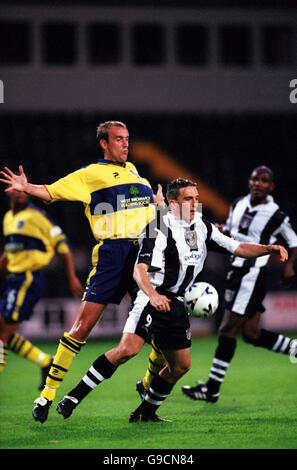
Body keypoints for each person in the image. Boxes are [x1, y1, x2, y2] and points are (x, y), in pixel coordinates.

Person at [52, 178, 287, 423]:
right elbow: (139, 270)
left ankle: (145, 413)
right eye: (188, 199)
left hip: (177, 304)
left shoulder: (202, 227)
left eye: (197, 198)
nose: (195, 203)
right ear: (173, 203)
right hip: (152, 298)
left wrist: (268, 248)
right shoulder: (159, 227)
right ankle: (73, 398)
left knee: (181, 366)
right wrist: (153, 296)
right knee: (127, 350)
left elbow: (237, 247)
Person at [0, 120, 163, 423]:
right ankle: (46, 394)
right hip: (112, 255)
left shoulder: (134, 173)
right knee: (81, 328)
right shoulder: (90, 175)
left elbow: (146, 217)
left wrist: (157, 206)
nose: (125, 144)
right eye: (118, 139)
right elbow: (51, 192)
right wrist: (26, 187)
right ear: (104, 143)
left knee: (160, 327)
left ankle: (146, 386)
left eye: (127, 138)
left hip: (142, 255)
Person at [181, 166, 297, 403]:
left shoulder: (276, 215)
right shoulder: (239, 203)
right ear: (249, 181)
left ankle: (212, 389)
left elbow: (294, 243)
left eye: (264, 180)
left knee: (227, 329)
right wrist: (218, 230)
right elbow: (231, 231)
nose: (258, 183)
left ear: (271, 186)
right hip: (235, 271)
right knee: (252, 334)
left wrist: (289, 265)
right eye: (255, 178)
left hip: (251, 275)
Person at [0, 189, 83, 389]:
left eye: (23, 190)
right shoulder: (8, 218)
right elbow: (11, 249)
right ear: (8, 192)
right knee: (6, 333)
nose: (20, 193)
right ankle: (45, 361)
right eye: (16, 189)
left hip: (27, 278)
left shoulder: (38, 216)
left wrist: (71, 277)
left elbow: (63, 245)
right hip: (13, 279)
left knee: (2, 331)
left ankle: (44, 362)